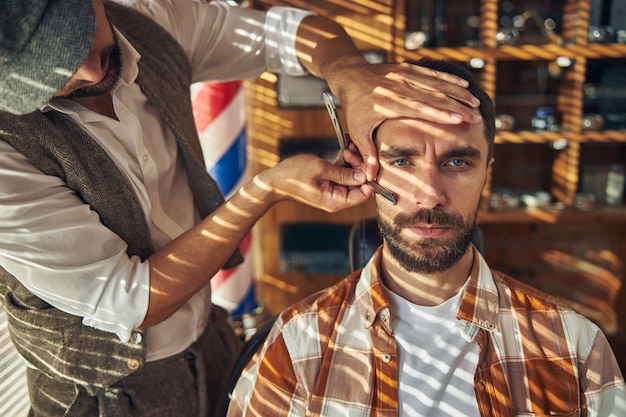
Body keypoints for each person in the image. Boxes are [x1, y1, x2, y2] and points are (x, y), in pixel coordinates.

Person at [0, 1, 486, 416]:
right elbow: (129, 299)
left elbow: (286, 32)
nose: (88, 71)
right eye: (53, 71)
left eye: (82, 39)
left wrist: (350, 75)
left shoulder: (151, 21)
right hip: (108, 391)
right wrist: (264, 191)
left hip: (211, 337)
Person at [227, 58, 626, 417]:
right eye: (401, 161)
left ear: (486, 170)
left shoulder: (573, 346)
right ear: (366, 170)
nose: (430, 193)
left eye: (457, 161)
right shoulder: (296, 347)